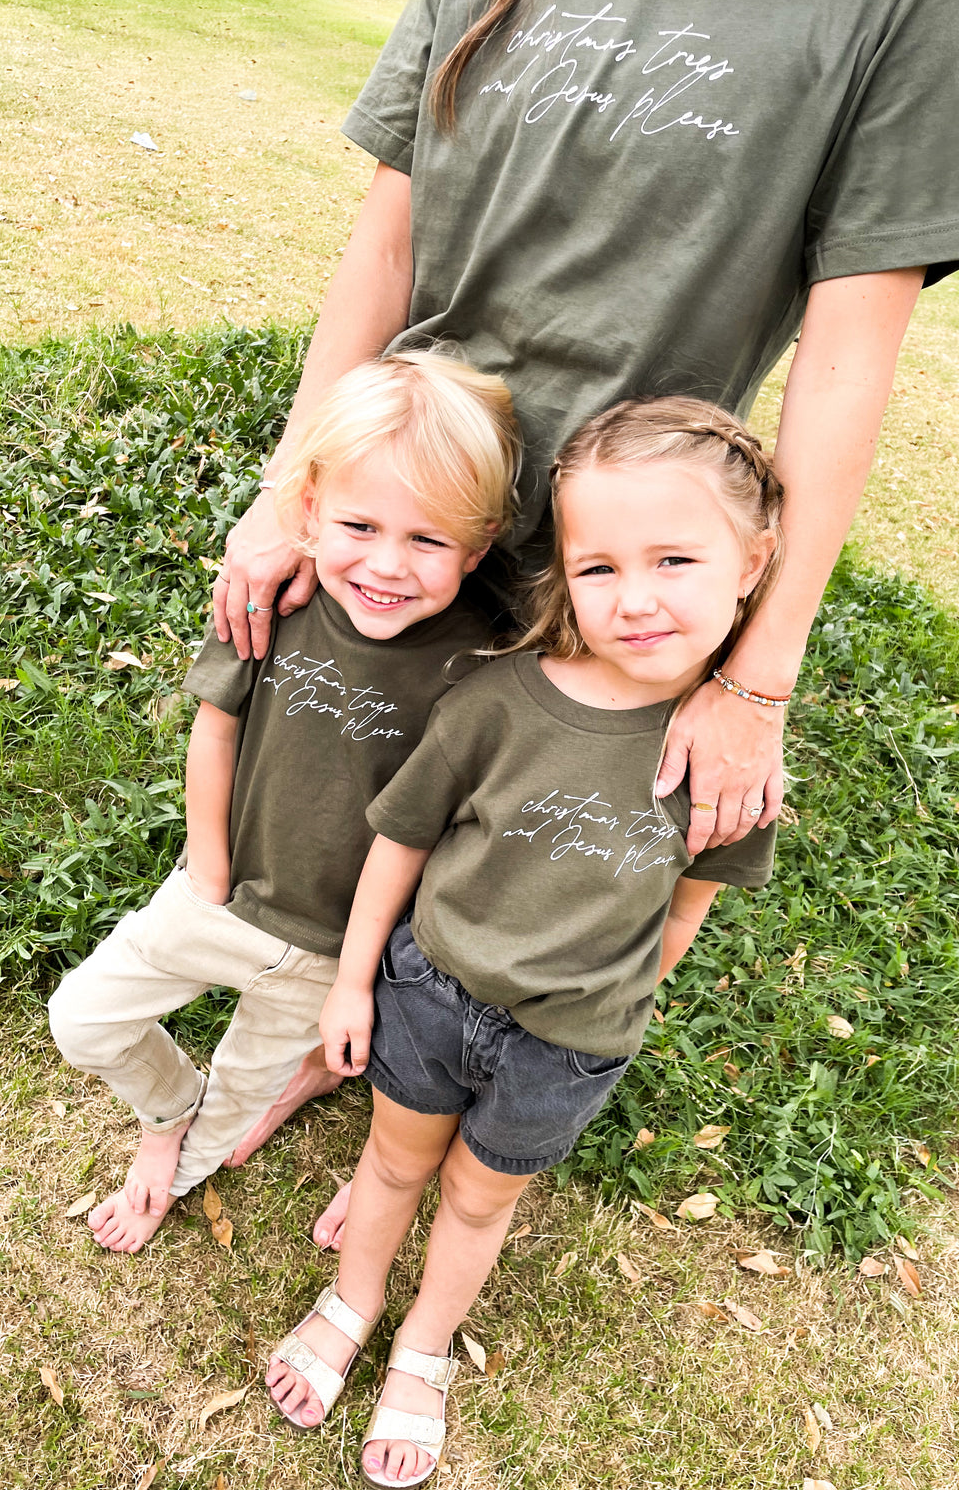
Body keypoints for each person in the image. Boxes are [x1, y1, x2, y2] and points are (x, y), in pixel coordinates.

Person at [215, 0, 959, 1245]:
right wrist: (295, 490)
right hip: (418, 501)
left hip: (609, 556)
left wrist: (758, 679)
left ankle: (420, 1110)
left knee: (514, 866)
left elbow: (849, 358)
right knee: (356, 799)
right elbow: (389, 237)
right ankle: (324, 1036)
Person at [264, 399, 783, 1484]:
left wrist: (614, 1008)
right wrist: (353, 984)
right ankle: (354, 1299)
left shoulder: (730, 763)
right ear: (563, 574)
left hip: (566, 1046)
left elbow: (685, 906)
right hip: (431, 992)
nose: (634, 599)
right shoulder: (499, 702)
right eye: (598, 568)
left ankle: (422, 1347)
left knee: (479, 1195)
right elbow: (398, 843)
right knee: (396, 1162)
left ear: (754, 560)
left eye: (675, 558)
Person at [47, 351, 520, 1252]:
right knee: (83, 1017)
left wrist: (361, 966)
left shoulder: (485, 663)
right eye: (359, 524)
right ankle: (165, 1110)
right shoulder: (277, 601)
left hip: (333, 952)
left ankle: (176, 1167)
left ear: (482, 542)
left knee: (241, 1096)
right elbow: (216, 725)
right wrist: (208, 861)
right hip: (219, 895)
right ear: (308, 508)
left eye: (427, 541)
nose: (387, 564)